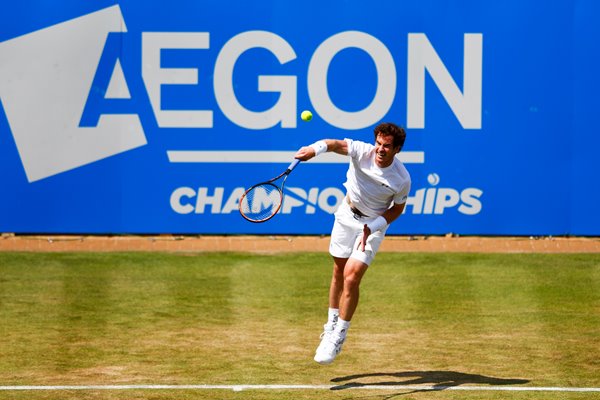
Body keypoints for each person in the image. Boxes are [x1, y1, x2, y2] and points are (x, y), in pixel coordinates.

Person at [294, 122, 411, 365]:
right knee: (338, 271)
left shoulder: (401, 179)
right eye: (378, 143)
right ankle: (331, 325)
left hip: (372, 227)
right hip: (346, 215)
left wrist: (375, 226)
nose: (380, 149)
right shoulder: (361, 150)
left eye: (387, 146)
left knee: (351, 275)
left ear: (397, 149)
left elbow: (397, 209)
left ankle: (339, 335)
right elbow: (334, 144)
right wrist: (313, 150)